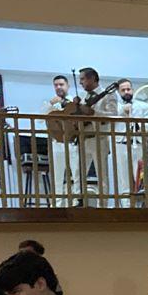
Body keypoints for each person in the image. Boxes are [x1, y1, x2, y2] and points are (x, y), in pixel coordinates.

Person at [73, 68, 120, 206]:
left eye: (82, 79)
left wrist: (93, 113)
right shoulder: (82, 96)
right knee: (78, 173)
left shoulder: (108, 95)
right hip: (82, 138)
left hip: (99, 138)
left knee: (102, 174)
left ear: (92, 78)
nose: (80, 83)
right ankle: (78, 200)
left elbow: (113, 115)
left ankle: (102, 205)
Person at [41, 74, 78, 204]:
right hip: (56, 144)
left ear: (67, 86)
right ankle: (57, 206)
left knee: (76, 175)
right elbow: (40, 119)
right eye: (56, 85)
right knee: (57, 176)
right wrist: (50, 104)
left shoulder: (75, 101)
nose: (58, 87)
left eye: (61, 84)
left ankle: (76, 204)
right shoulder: (50, 103)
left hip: (73, 143)